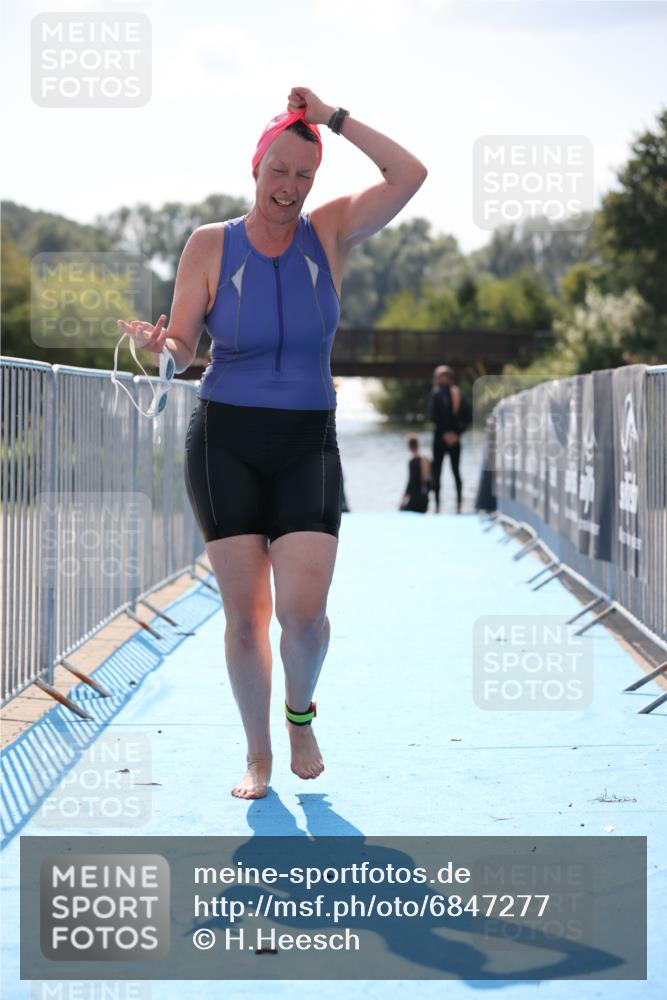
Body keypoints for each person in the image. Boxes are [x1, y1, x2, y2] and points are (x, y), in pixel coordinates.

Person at [117, 87, 427, 799]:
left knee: (304, 614)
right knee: (247, 614)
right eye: (277, 171)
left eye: (303, 176)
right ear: (255, 168)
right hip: (222, 438)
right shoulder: (209, 245)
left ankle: (299, 715)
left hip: (306, 441)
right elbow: (189, 347)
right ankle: (257, 756)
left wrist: (332, 120)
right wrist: (162, 345)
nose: (289, 189)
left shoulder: (330, 232)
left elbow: (409, 175)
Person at [428, 365, 468, 514]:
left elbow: (466, 417)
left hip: (453, 440)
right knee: (437, 473)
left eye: (444, 376)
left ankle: (459, 506)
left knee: (456, 472)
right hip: (440, 439)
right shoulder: (435, 394)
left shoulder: (457, 393)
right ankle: (437, 506)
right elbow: (433, 417)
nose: (441, 379)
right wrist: (445, 434)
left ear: (449, 377)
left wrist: (456, 434)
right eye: (439, 376)